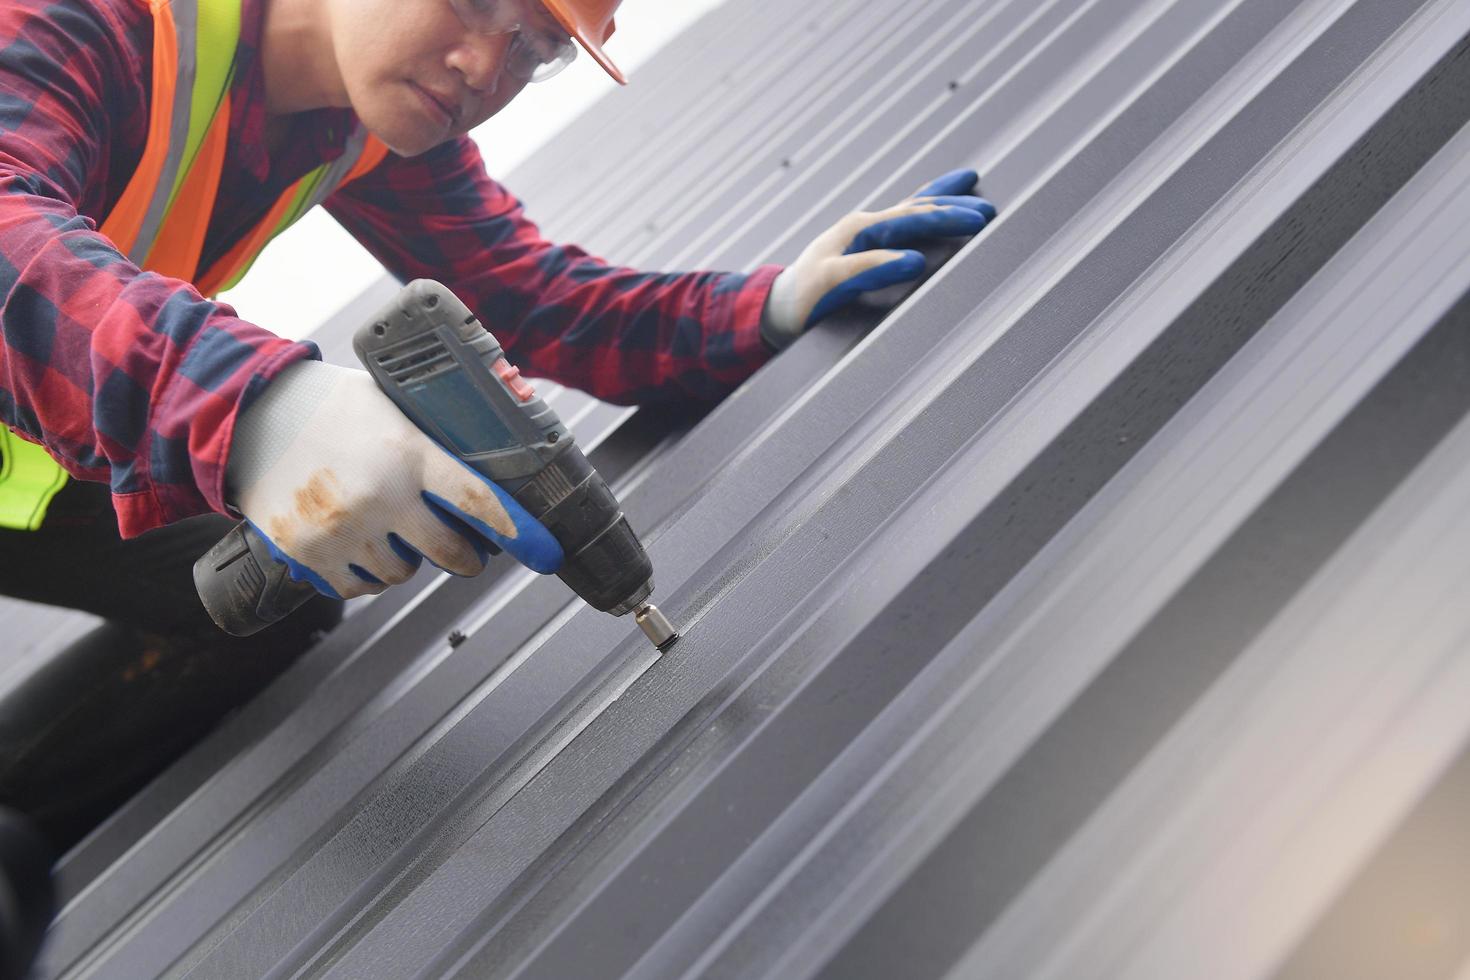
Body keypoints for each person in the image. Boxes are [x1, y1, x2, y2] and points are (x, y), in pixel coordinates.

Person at [0, 0, 996, 849]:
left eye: (534, 46)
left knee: (274, 595)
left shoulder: (362, 115)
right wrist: (250, 404)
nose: (484, 66)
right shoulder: (96, 23)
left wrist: (765, 306)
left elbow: (529, 295)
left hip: (26, 461)